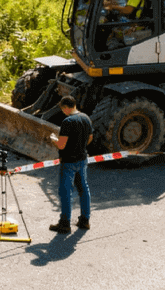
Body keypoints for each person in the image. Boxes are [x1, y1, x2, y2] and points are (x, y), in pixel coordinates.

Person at [48, 96, 93, 234]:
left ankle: (65, 223)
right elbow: (90, 138)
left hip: (68, 162)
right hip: (82, 159)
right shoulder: (86, 118)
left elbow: (61, 145)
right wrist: (80, 146)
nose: (63, 112)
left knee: (65, 192)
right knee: (83, 189)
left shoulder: (67, 122)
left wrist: (53, 139)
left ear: (66, 107)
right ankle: (85, 220)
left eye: (62, 109)